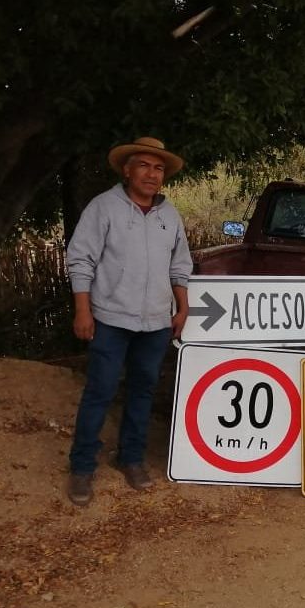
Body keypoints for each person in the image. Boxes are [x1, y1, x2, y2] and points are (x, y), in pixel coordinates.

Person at [65, 137, 193, 506]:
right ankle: (82, 466)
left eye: (158, 169)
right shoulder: (103, 208)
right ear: (127, 169)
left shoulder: (169, 215)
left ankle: (131, 459)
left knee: (142, 390)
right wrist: (83, 310)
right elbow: (81, 259)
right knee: (100, 390)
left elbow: (180, 265)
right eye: (144, 166)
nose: (152, 174)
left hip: (156, 322)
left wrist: (181, 307)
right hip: (110, 318)